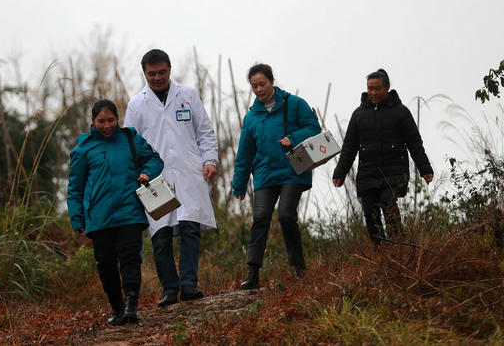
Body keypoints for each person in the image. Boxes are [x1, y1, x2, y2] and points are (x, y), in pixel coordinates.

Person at [124, 49, 218, 307]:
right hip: (154, 177)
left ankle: (189, 285)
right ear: (144, 73)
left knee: (190, 227)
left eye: (161, 72)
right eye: (151, 73)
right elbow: (130, 145)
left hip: (188, 171)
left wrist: (209, 160)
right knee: (161, 233)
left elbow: (205, 132)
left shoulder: (187, 96)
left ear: (169, 69)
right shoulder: (137, 104)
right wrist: (137, 175)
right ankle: (169, 289)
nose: (157, 77)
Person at [66, 99, 164, 326]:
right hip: (99, 218)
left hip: (129, 211)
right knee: (106, 264)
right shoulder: (83, 149)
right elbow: (75, 187)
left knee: (130, 258)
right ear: (93, 121)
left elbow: (154, 159)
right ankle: (116, 307)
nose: (107, 125)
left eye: (111, 120)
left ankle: (131, 305)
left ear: (117, 119)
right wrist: (77, 218)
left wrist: (146, 173)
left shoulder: (131, 139)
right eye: (101, 121)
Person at [232, 64, 321, 290]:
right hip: (264, 174)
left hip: (292, 171)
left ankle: (299, 269)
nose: (259, 89)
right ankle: (253, 273)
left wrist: (294, 137)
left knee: (286, 215)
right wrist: (239, 185)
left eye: (262, 84)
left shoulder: (294, 104)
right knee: (260, 218)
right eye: (254, 86)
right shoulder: (251, 117)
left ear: (272, 81)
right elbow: (244, 154)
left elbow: (314, 128)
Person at [332, 69, 434, 245]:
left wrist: (425, 169)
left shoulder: (401, 112)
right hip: (367, 173)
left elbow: (414, 143)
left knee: (388, 204)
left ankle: (398, 247)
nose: (373, 93)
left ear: (387, 87)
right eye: (370, 88)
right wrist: (340, 173)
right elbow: (349, 147)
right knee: (370, 214)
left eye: (377, 88)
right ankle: (379, 252)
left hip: (394, 172)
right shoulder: (359, 115)